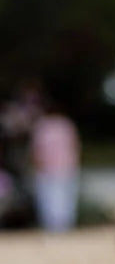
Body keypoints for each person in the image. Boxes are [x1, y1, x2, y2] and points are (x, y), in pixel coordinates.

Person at [30, 97, 80, 232]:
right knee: (62, 197)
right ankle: (62, 224)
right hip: (63, 166)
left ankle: (56, 225)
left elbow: (36, 149)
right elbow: (74, 146)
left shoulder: (43, 126)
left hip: (52, 167)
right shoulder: (65, 124)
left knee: (51, 197)